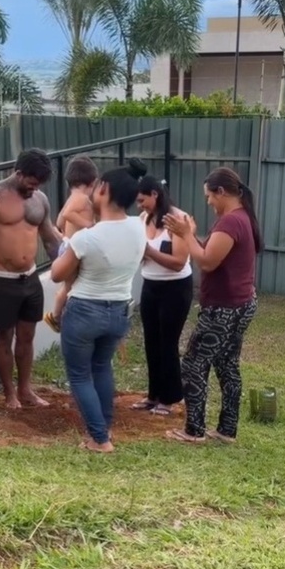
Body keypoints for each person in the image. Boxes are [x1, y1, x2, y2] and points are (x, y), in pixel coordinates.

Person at [50, 159, 148, 453]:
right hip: (119, 310)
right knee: (102, 367)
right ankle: (103, 429)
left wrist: (65, 249)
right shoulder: (138, 228)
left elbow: (56, 274)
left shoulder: (86, 238)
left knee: (80, 375)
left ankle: (100, 439)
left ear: (103, 189)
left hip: (84, 312)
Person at [162, 167, 261, 445]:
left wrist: (186, 235)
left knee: (193, 364)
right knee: (227, 364)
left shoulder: (231, 222)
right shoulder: (242, 217)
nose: (208, 202)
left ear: (221, 192)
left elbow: (206, 261)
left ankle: (194, 431)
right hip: (241, 303)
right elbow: (212, 253)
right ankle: (227, 430)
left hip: (224, 309)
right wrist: (192, 235)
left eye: (209, 196)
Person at [0, 149, 62, 409]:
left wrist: (67, 264)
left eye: (39, 185)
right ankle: (9, 394)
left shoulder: (40, 199)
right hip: (2, 279)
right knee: (4, 337)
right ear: (18, 173)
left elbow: (49, 238)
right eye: (31, 183)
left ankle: (25, 390)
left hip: (30, 279)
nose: (35, 189)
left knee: (27, 336)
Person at [131, 175, 193, 416]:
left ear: (155, 195)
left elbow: (178, 262)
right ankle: (153, 395)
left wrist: (147, 251)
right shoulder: (143, 219)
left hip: (175, 289)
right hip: (150, 285)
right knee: (151, 342)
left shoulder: (178, 220)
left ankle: (170, 398)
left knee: (168, 343)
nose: (139, 205)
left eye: (142, 200)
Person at [44, 156, 99, 333]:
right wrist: (89, 224)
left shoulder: (72, 197)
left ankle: (59, 314)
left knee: (69, 285)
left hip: (67, 244)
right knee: (70, 286)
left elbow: (60, 220)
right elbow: (68, 214)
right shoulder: (82, 198)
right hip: (72, 249)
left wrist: (67, 232)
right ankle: (55, 316)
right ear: (93, 182)